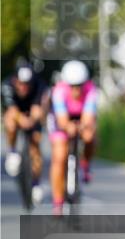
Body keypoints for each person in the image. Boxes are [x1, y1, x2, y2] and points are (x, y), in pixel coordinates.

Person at [49, 60, 99, 214]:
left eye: (79, 85)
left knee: (90, 136)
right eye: (72, 86)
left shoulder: (91, 90)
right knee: (59, 157)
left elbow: (89, 117)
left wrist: (82, 127)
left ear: (85, 83)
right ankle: (58, 202)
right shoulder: (58, 91)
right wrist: (68, 127)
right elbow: (62, 119)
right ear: (66, 84)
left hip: (82, 118)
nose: (76, 90)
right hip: (61, 120)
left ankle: (85, 163)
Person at [2, 60, 48, 205]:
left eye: (27, 84)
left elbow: (39, 110)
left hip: (32, 116)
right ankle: (12, 151)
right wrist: (21, 119)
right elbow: (12, 110)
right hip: (16, 114)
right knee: (10, 122)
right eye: (21, 83)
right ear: (15, 80)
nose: (24, 87)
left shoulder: (40, 86)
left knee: (35, 146)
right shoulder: (6, 85)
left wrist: (35, 117)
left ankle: (35, 183)